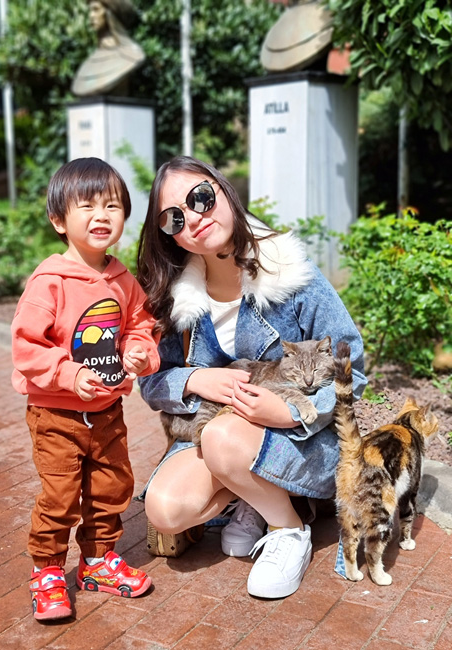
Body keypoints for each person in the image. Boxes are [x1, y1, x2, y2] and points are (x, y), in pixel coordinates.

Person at [136, 155, 367, 600]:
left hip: (301, 440)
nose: (193, 219)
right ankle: (255, 496)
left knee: (221, 436)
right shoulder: (176, 296)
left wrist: (290, 412)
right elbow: (151, 381)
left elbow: (350, 367)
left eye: (200, 198)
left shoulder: (288, 272)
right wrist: (194, 381)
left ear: (224, 191)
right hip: (217, 433)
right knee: (166, 509)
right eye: (173, 218)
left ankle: (288, 528)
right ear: (169, 235)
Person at [11, 157, 160, 621]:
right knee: (60, 496)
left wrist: (139, 352)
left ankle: (96, 561)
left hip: (107, 411)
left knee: (112, 486)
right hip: (56, 414)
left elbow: (140, 327)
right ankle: (47, 570)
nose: (102, 215)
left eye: (112, 206)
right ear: (59, 220)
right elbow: (26, 346)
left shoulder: (123, 280)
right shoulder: (50, 282)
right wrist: (69, 374)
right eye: (87, 206)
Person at [72, 0, 145, 96]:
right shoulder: (89, 62)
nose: (91, 15)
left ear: (110, 13)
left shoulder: (133, 55)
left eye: (96, 9)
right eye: (90, 10)